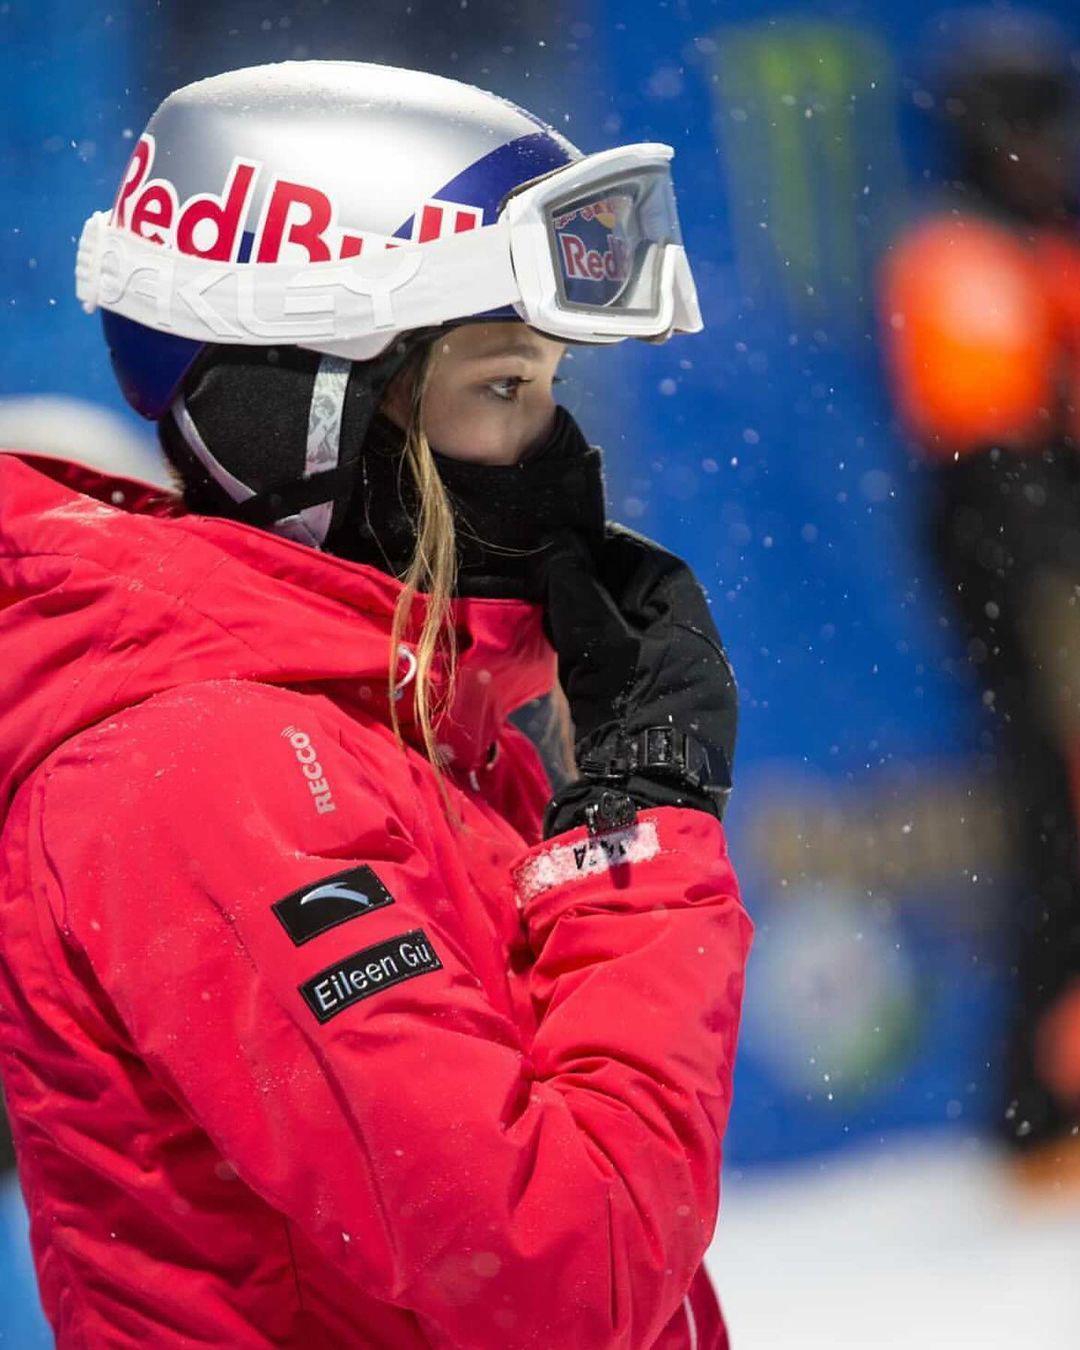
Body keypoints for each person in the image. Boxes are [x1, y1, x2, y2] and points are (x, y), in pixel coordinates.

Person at [0, 61, 750, 1347]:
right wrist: (642, 824)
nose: (552, 454)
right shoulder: (204, 772)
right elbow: (566, 1279)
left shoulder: (393, 726)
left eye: (551, 390)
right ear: (308, 417)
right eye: (503, 388)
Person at [880, 13, 1080, 1178]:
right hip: (1025, 571)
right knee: (1049, 820)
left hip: (1042, 550)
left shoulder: (1045, 241)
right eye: (1014, 116)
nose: (1036, 143)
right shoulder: (957, 251)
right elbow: (996, 459)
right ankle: (1037, 1107)